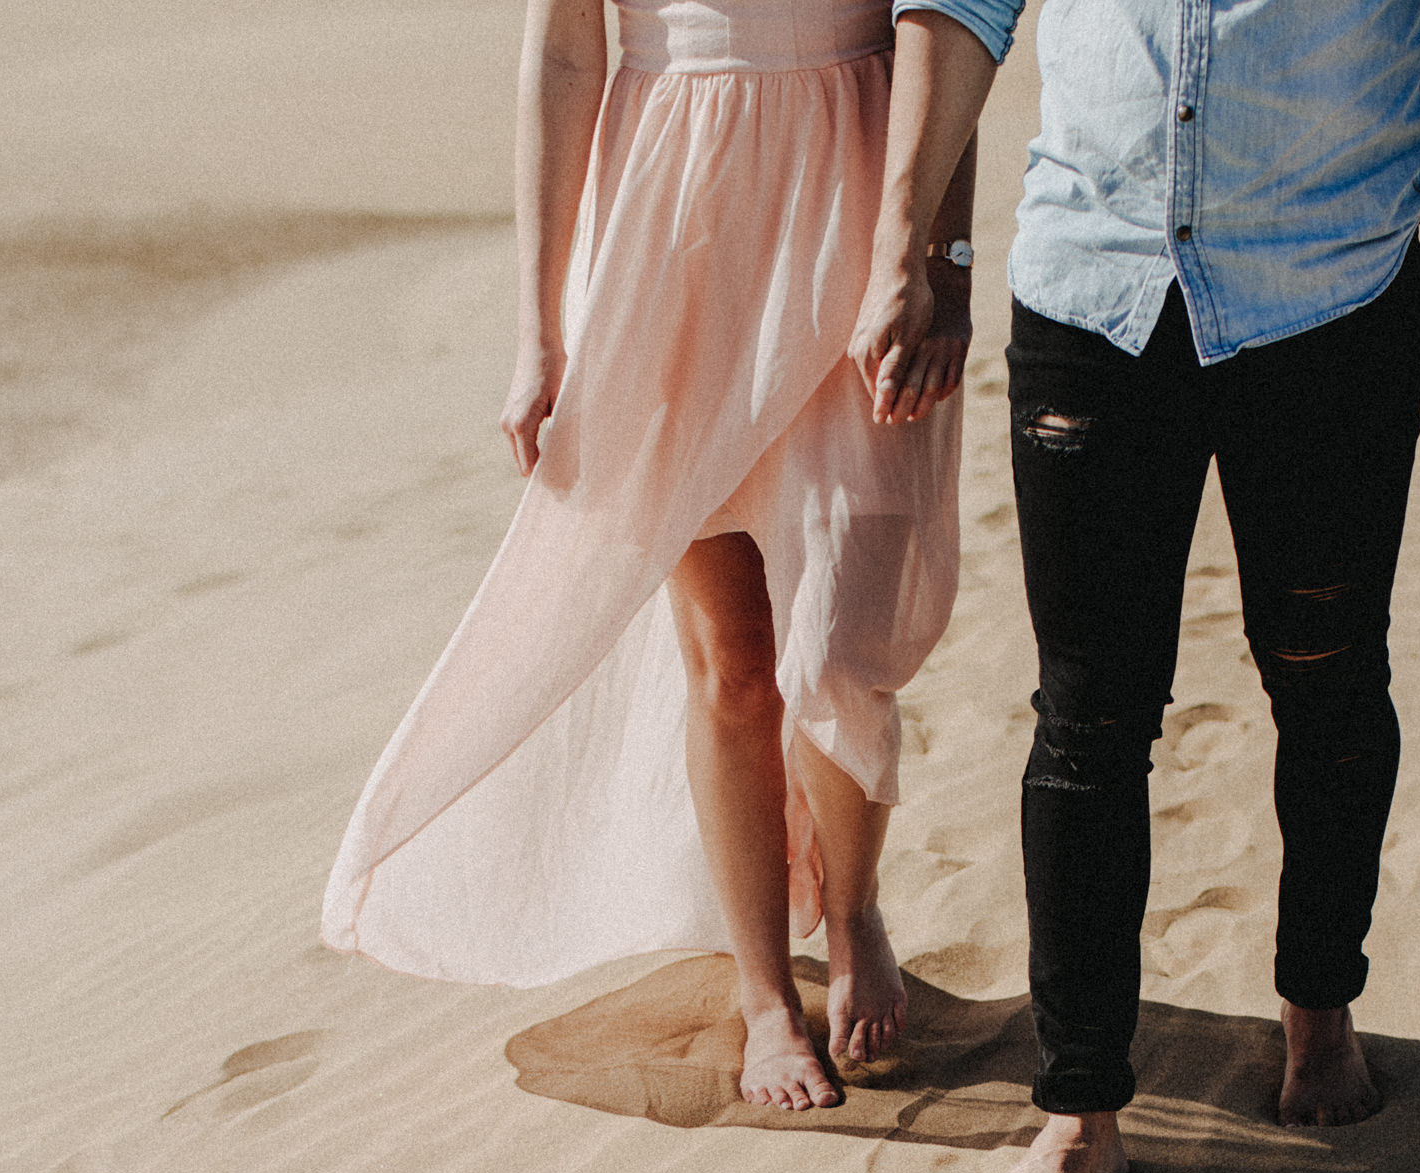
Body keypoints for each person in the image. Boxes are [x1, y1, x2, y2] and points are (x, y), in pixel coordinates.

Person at [852, 0, 1420, 1173]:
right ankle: (1079, 1108)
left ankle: (1318, 1001)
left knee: (1324, 675)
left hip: (1328, 285)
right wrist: (909, 250)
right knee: (1085, 718)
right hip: (1090, 280)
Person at [323, 0, 984, 1112]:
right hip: (667, 226)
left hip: (858, 209)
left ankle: (854, 897)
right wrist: (539, 331)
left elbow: (946, 23)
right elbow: (567, 52)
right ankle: (766, 989)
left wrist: (941, 257)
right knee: (731, 654)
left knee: (837, 640)